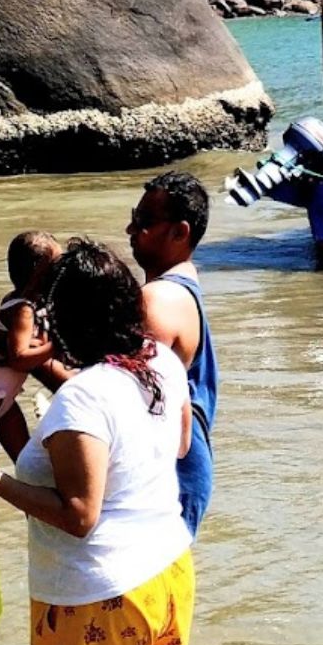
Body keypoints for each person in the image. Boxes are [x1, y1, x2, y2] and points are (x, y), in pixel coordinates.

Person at [0, 240, 194, 645]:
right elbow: (180, 443)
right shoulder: (159, 361)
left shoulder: (83, 399)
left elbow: (80, 514)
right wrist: (10, 407)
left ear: (61, 320)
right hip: (166, 574)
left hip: (99, 599)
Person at [125, 171, 218, 538]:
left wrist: (37, 362)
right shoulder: (181, 289)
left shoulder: (158, 299)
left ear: (180, 233)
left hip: (170, 477)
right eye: (135, 216)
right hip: (182, 468)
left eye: (144, 222)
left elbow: (121, 395)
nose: (130, 229)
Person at [0, 230, 64, 416]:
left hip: (3, 396)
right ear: (40, 275)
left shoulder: (18, 302)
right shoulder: (23, 310)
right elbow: (18, 359)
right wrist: (56, 346)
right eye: (58, 267)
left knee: (23, 447)